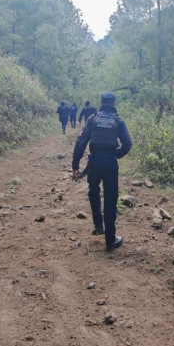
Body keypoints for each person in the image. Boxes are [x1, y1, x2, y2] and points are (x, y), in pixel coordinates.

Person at [72, 92, 132, 252]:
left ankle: (99, 226)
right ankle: (110, 240)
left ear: (101, 102)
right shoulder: (118, 121)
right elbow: (127, 144)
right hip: (110, 163)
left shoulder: (93, 119)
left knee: (93, 192)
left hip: (94, 162)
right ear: (113, 103)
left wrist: (75, 164)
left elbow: (81, 142)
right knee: (111, 198)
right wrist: (116, 154)